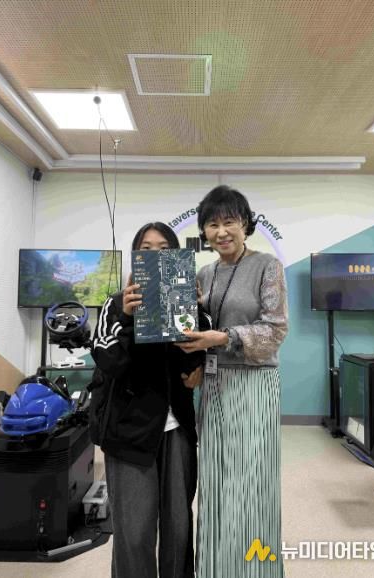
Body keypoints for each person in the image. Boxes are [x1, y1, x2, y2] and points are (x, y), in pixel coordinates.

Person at [175, 185, 289, 578]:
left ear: (245, 225)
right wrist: (194, 360)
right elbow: (195, 329)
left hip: (255, 384)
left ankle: (256, 570)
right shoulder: (204, 274)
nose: (221, 232)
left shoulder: (267, 266)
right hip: (214, 386)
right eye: (212, 224)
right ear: (204, 232)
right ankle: (215, 568)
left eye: (229, 222)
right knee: (217, 481)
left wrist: (223, 338)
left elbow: (275, 330)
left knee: (253, 483)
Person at [90, 222, 208, 578]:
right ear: (135, 256)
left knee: (178, 524)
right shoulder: (115, 305)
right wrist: (127, 319)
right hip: (129, 432)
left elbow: (193, 362)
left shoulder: (184, 300)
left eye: (164, 248)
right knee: (134, 530)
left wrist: (194, 314)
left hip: (177, 428)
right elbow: (109, 361)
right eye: (146, 247)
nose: (155, 254)